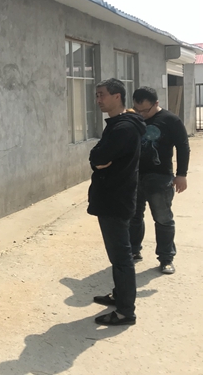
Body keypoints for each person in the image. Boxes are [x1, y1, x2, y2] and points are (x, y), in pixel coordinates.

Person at [88, 78, 146, 326]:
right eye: (97, 95)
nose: (98, 100)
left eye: (102, 95)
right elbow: (99, 159)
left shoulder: (124, 128)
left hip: (116, 199)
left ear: (117, 96)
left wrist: (97, 159)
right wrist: (98, 159)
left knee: (122, 258)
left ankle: (125, 312)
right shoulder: (118, 125)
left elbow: (98, 156)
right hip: (114, 197)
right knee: (117, 257)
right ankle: (119, 296)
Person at [130, 86, 190, 274]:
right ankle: (133, 251)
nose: (141, 114)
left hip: (160, 177)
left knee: (163, 219)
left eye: (145, 110)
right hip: (134, 176)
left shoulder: (170, 120)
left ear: (156, 103)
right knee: (133, 216)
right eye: (137, 109)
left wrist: (181, 174)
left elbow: (183, 146)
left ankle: (166, 258)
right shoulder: (133, 118)